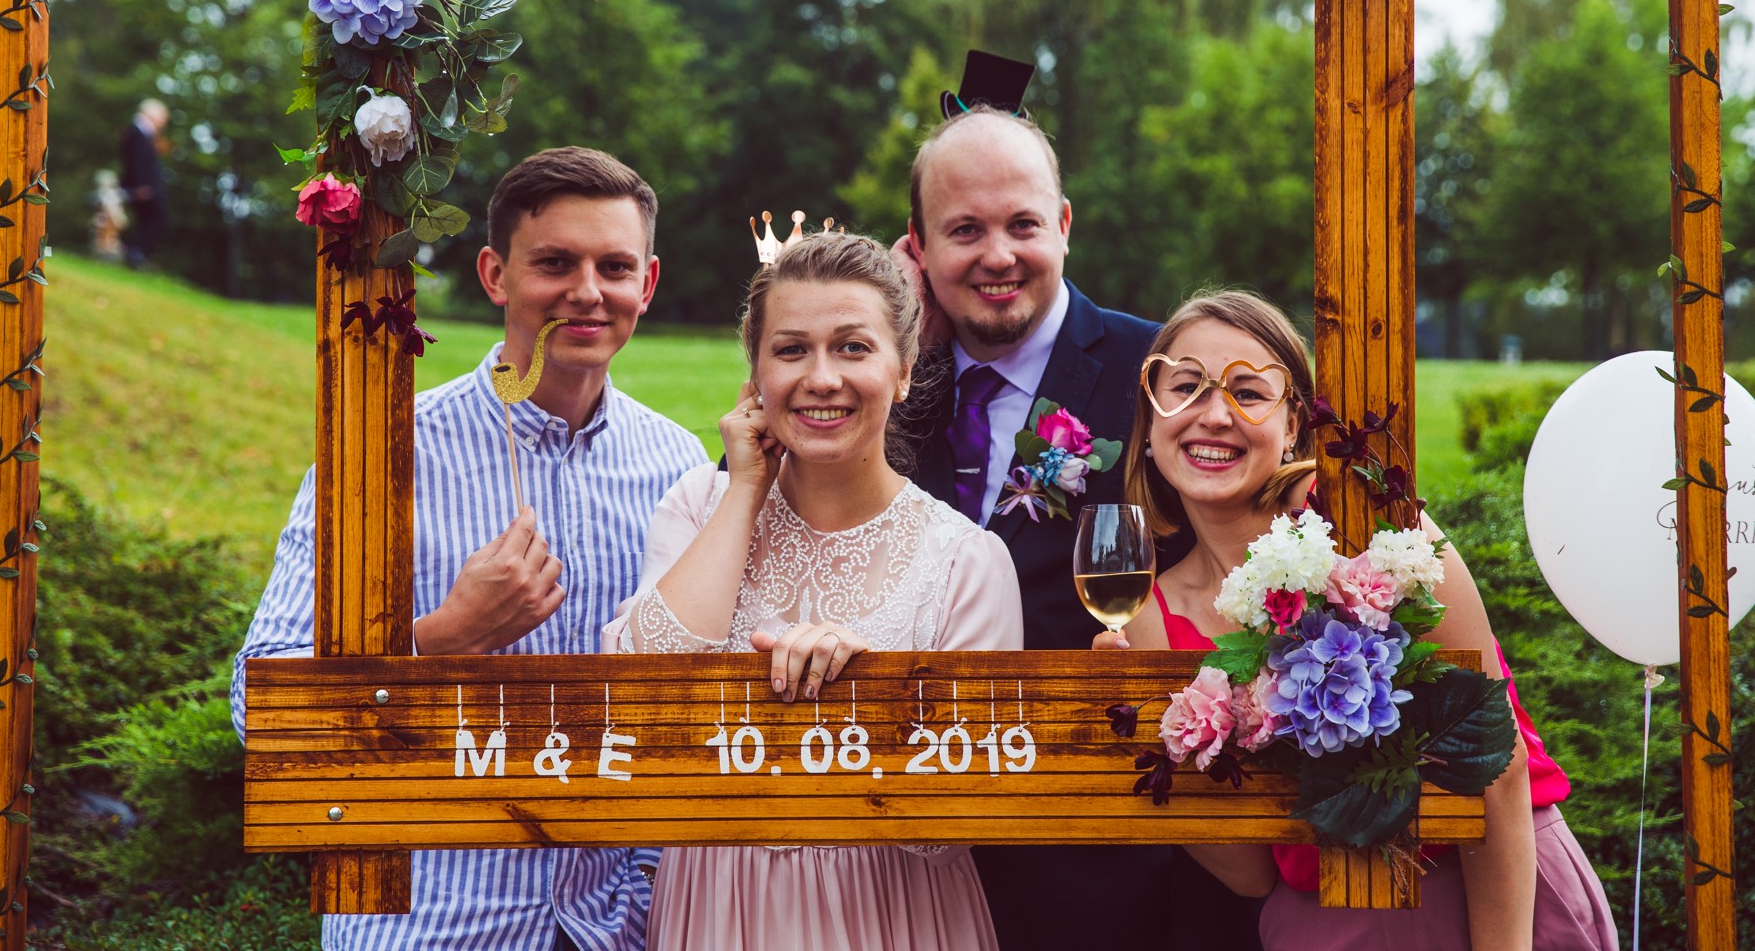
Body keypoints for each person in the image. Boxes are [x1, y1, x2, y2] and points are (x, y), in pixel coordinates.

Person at [232, 146, 708, 951]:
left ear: (648, 283)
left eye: (614, 267)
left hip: (609, 929)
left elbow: (684, 711)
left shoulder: (677, 465)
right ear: (495, 275)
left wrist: (646, 894)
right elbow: (258, 707)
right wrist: (445, 639)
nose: (587, 291)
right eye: (554, 263)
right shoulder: (382, 451)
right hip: (431, 926)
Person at [1098, 289, 1617, 951]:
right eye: (1187, 387)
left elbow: (1501, 766)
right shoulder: (1149, 617)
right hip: (1326, 920)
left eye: (1248, 392)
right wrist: (1143, 731)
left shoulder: (1366, 518)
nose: (1215, 415)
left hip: (1499, 888)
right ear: (1152, 418)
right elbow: (1251, 871)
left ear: (1293, 423)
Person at [893, 54, 1257, 951]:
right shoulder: (880, 378)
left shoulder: (1161, 375)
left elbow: (1264, 556)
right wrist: (890, 332)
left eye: (1022, 224)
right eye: (964, 230)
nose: (998, 255)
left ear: (1063, 225)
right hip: (910, 852)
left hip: (1117, 862)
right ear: (919, 249)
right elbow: (770, 497)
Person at [603, 231, 1023, 951]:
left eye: (853, 348)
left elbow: (958, 822)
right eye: (791, 350)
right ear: (757, 374)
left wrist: (869, 691)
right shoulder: (698, 506)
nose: (822, 378)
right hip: (716, 905)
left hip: (891, 913)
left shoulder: (968, 561)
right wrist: (744, 487)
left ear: (903, 370)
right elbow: (638, 699)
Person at [118, 98, 169, 266]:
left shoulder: (142, 134)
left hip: (143, 186)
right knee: (155, 218)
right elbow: (136, 161)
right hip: (142, 187)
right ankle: (135, 253)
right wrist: (141, 185)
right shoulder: (137, 133)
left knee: (149, 219)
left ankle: (135, 252)